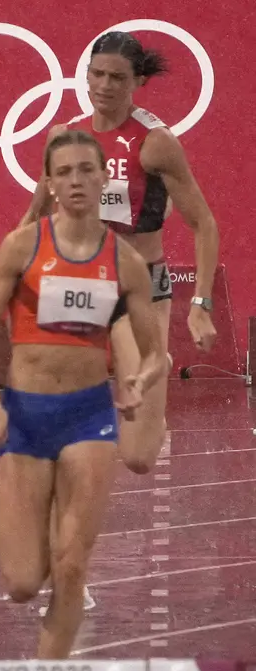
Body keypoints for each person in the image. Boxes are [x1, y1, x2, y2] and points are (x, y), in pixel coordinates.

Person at [0, 129, 166, 671]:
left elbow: (156, 352)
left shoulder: (124, 262)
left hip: (89, 418)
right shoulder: (23, 247)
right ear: (50, 184)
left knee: (73, 564)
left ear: (106, 178)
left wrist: (136, 381)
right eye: (66, 172)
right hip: (27, 418)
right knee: (23, 582)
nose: (78, 180)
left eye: (87, 170)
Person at [19, 31, 220, 476]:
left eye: (117, 77)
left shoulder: (156, 143)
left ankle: (156, 366)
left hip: (138, 287)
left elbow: (203, 223)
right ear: (85, 75)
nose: (105, 86)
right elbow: (35, 212)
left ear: (137, 83)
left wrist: (201, 304)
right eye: (97, 74)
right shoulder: (64, 136)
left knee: (138, 458)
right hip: (78, 282)